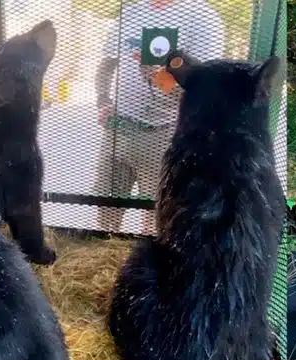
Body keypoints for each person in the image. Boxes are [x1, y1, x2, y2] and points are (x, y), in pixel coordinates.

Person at [93, 0, 224, 234]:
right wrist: (103, 100)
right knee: (105, 210)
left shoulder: (203, 17)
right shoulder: (131, 11)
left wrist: (161, 79)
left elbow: (204, 87)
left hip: (165, 133)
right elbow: (106, 64)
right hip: (118, 128)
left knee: (157, 220)